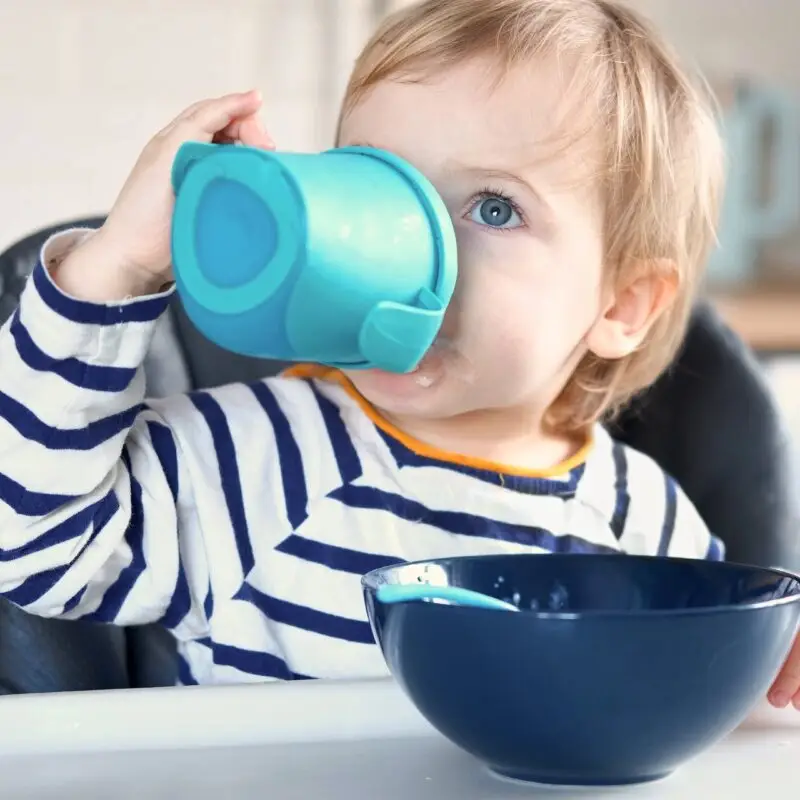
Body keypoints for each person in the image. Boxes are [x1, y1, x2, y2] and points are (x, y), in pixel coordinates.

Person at [0, 0, 797, 704]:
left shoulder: (643, 523)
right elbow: (35, 546)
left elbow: (708, 696)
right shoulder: (259, 460)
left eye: (493, 207)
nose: (410, 250)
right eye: (380, 184)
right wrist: (114, 269)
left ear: (620, 305)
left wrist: (774, 664)